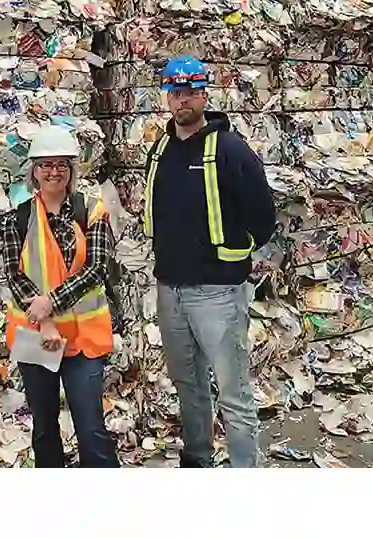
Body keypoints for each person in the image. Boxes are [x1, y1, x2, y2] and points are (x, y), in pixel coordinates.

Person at [144, 55, 276, 468]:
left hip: (217, 291)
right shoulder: (161, 149)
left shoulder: (231, 150)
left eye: (190, 92)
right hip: (171, 289)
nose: (182, 100)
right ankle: (197, 459)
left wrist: (232, 253)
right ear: (167, 97)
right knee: (188, 385)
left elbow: (264, 218)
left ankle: (242, 471)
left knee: (232, 391)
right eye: (174, 92)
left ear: (204, 95)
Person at [3, 125, 120, 468]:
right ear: (34, 172)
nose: (54, 172)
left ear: (72, 171)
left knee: (90, 428)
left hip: (83, 340)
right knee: (44, 428)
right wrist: (47, 321)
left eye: (62, 165)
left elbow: (97, 268)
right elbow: (16, 277)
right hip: (38, 336)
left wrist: (51, 302)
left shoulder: (92, 211)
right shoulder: (19, 217)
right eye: (45, 165)